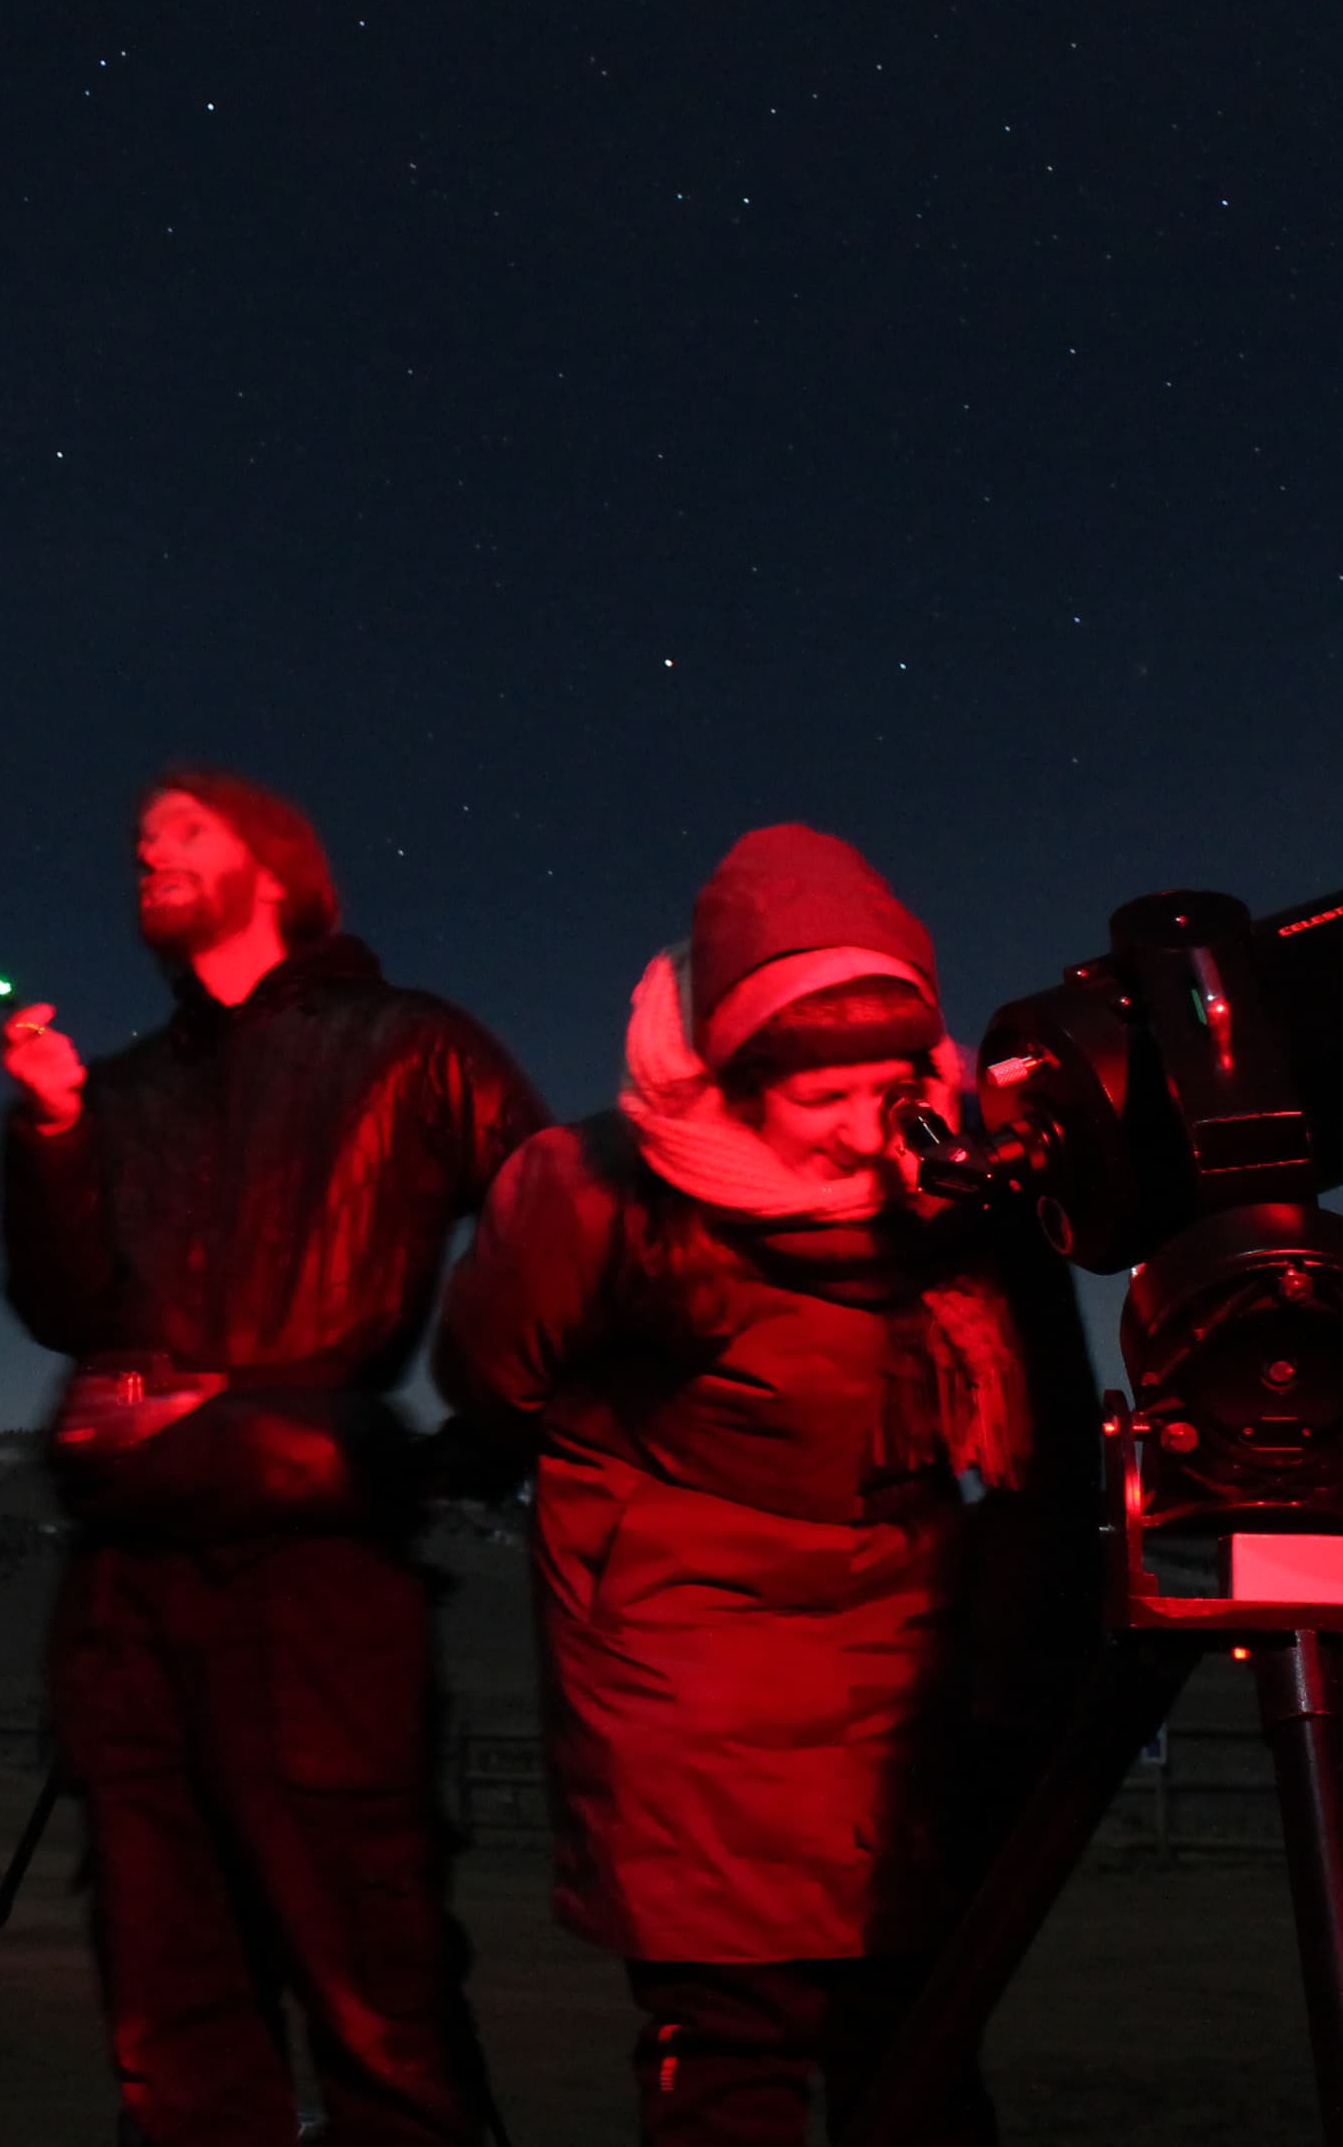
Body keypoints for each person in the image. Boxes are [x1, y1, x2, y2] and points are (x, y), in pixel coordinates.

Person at [436, 824, 1098, 2147]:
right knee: (733, 2040)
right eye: (823, 1099)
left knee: (914, 2030)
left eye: (890, 1085)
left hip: (905, 1648)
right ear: (734, 1080)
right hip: (693, 1667)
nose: (868, 1129)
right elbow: (491, 1375)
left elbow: (1040, 1429)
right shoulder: (591, 1196)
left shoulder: (963, 1186)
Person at [0, 767, 548, 2147]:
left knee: (380, 2007)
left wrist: (468, 1439)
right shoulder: (117, 1090)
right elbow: (72, 1314)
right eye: (140, 839)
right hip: (129, 1610)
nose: (148, 847)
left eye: (187, 829)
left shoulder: (411, 1047)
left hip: (319, 1601)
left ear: (280, 870)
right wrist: (54, 1136)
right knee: (172, 2034)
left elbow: (551, 1235)